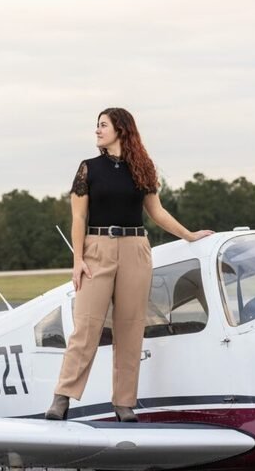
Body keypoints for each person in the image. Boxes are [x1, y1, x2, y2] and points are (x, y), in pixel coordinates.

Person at [45, 107, 214, 422]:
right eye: (97, 125)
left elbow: (156, 212)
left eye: (103, 125)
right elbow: (78, 217)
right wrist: (78, 259)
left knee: (131, 328)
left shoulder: (143, 167)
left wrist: (189, 235)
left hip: (136, 249)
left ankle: (124, 403)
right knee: (87, 327)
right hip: (97, 249)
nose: (97, 130)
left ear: (121, 129)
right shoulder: (88, 169)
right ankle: (62, 398)